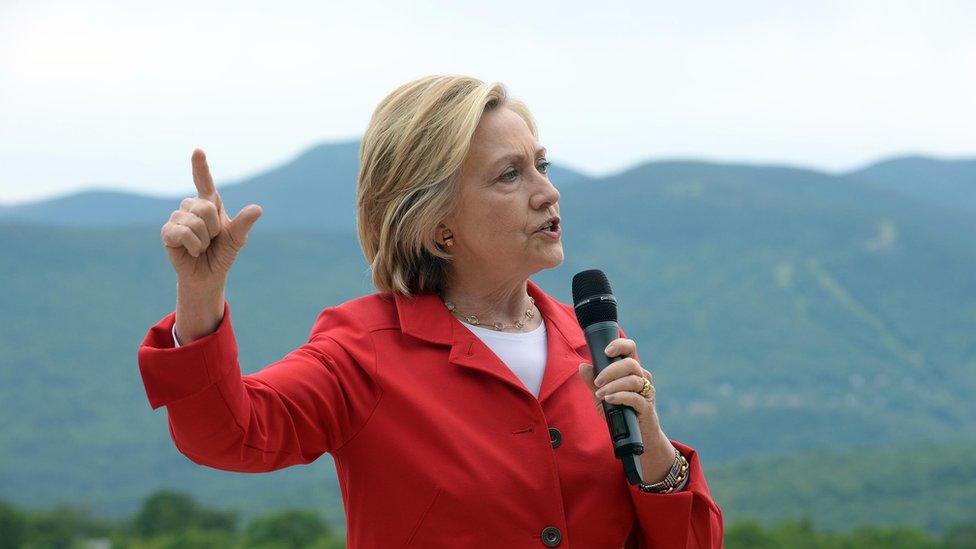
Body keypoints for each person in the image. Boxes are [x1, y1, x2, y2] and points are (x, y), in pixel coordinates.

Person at [138, 74, 724, 548]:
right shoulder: (362, 350)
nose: (548, 191)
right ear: (437, 225)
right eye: (510, 175)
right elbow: (227, 435)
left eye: (541, 165)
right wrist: (200, 292)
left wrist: (652, 443)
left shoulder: (591, 343)